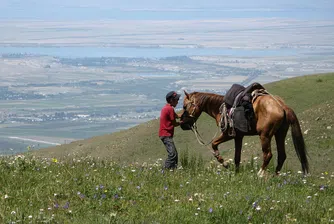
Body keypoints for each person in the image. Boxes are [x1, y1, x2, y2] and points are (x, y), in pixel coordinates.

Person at [159, 91, 182, 170]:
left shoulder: (166, 108)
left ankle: (172, 171)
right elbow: (174, 124)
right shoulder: (170, 109)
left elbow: (177, 116)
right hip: (166, 135)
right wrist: (183, 122)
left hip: (164, 134)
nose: (178, 101)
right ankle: (164, 172)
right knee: (172, 155)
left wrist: (186, 113)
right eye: (176, 99)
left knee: (174, 154)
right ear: (171, 100)